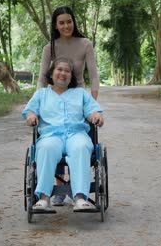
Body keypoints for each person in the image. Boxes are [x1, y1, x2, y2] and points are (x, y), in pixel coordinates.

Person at [23, 58, 104, 212]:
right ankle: (44, 198)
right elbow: (30, 111)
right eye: (59, 69)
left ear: (71, 76)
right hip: (51, 136)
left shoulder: (80, 93)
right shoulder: (41, 94)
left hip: (76, 134)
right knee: (45, 148)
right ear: (52, 73)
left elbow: (93, 110)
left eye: (67, 71)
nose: (63, 73)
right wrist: (31, 116)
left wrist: (96, 116)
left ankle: (80, 198)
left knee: (81, 147)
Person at [37, 6, 99, 100]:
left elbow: (93, 76)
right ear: (55, 26)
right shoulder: (48, 48)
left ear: (73, 22)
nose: (66, 26)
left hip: (78, 97)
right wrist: (38, 101)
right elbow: (42, 79)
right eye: (61, 23)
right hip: (55, 98)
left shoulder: (86, 44)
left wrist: (93, 104)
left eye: (69, 21)